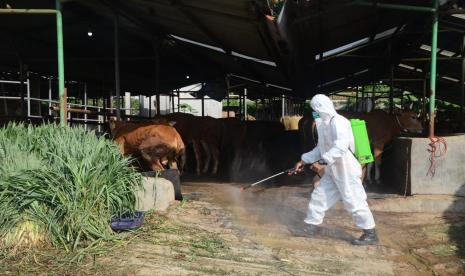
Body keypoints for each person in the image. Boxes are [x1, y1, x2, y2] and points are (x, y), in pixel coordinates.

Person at [294, 94, 378, 246]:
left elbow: (341, 147)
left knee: (354, 200)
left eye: (315, 109)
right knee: (319, 196)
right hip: (333, 169)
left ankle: (370, 233)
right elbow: (320, 149)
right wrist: (303, 160)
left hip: (346, 168)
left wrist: (322, 162)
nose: (315, 112)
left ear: (321, 107)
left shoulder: (339, 122)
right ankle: (310, 227)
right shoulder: (322, 125)